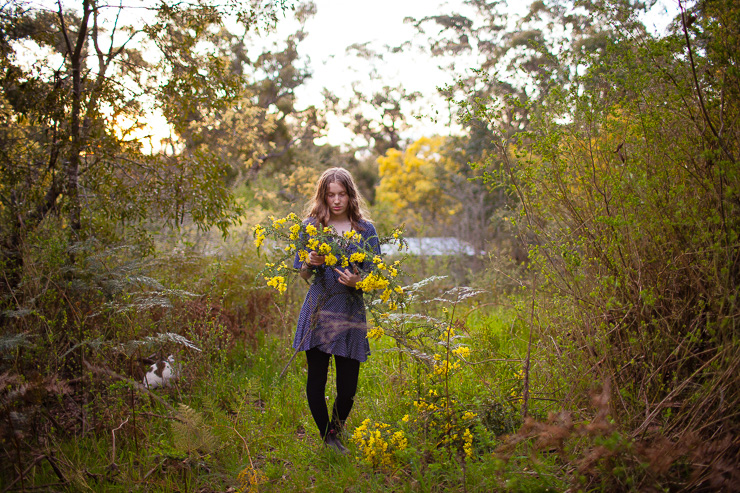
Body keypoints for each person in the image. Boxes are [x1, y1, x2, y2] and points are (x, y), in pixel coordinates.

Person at [292, 167, 380, 454]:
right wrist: (310, 262)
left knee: (348, 388)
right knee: (316, 380)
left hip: (351, 312)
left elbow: (376, 276)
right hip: (318, 309)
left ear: (350, 195)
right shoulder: (311, 226)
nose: (337, 200)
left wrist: (359, 281)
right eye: (331, 195)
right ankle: (327, 437)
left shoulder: (366, 230)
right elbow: (303, 274)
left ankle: (336, 431)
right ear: (323, 196)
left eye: (342, 194)